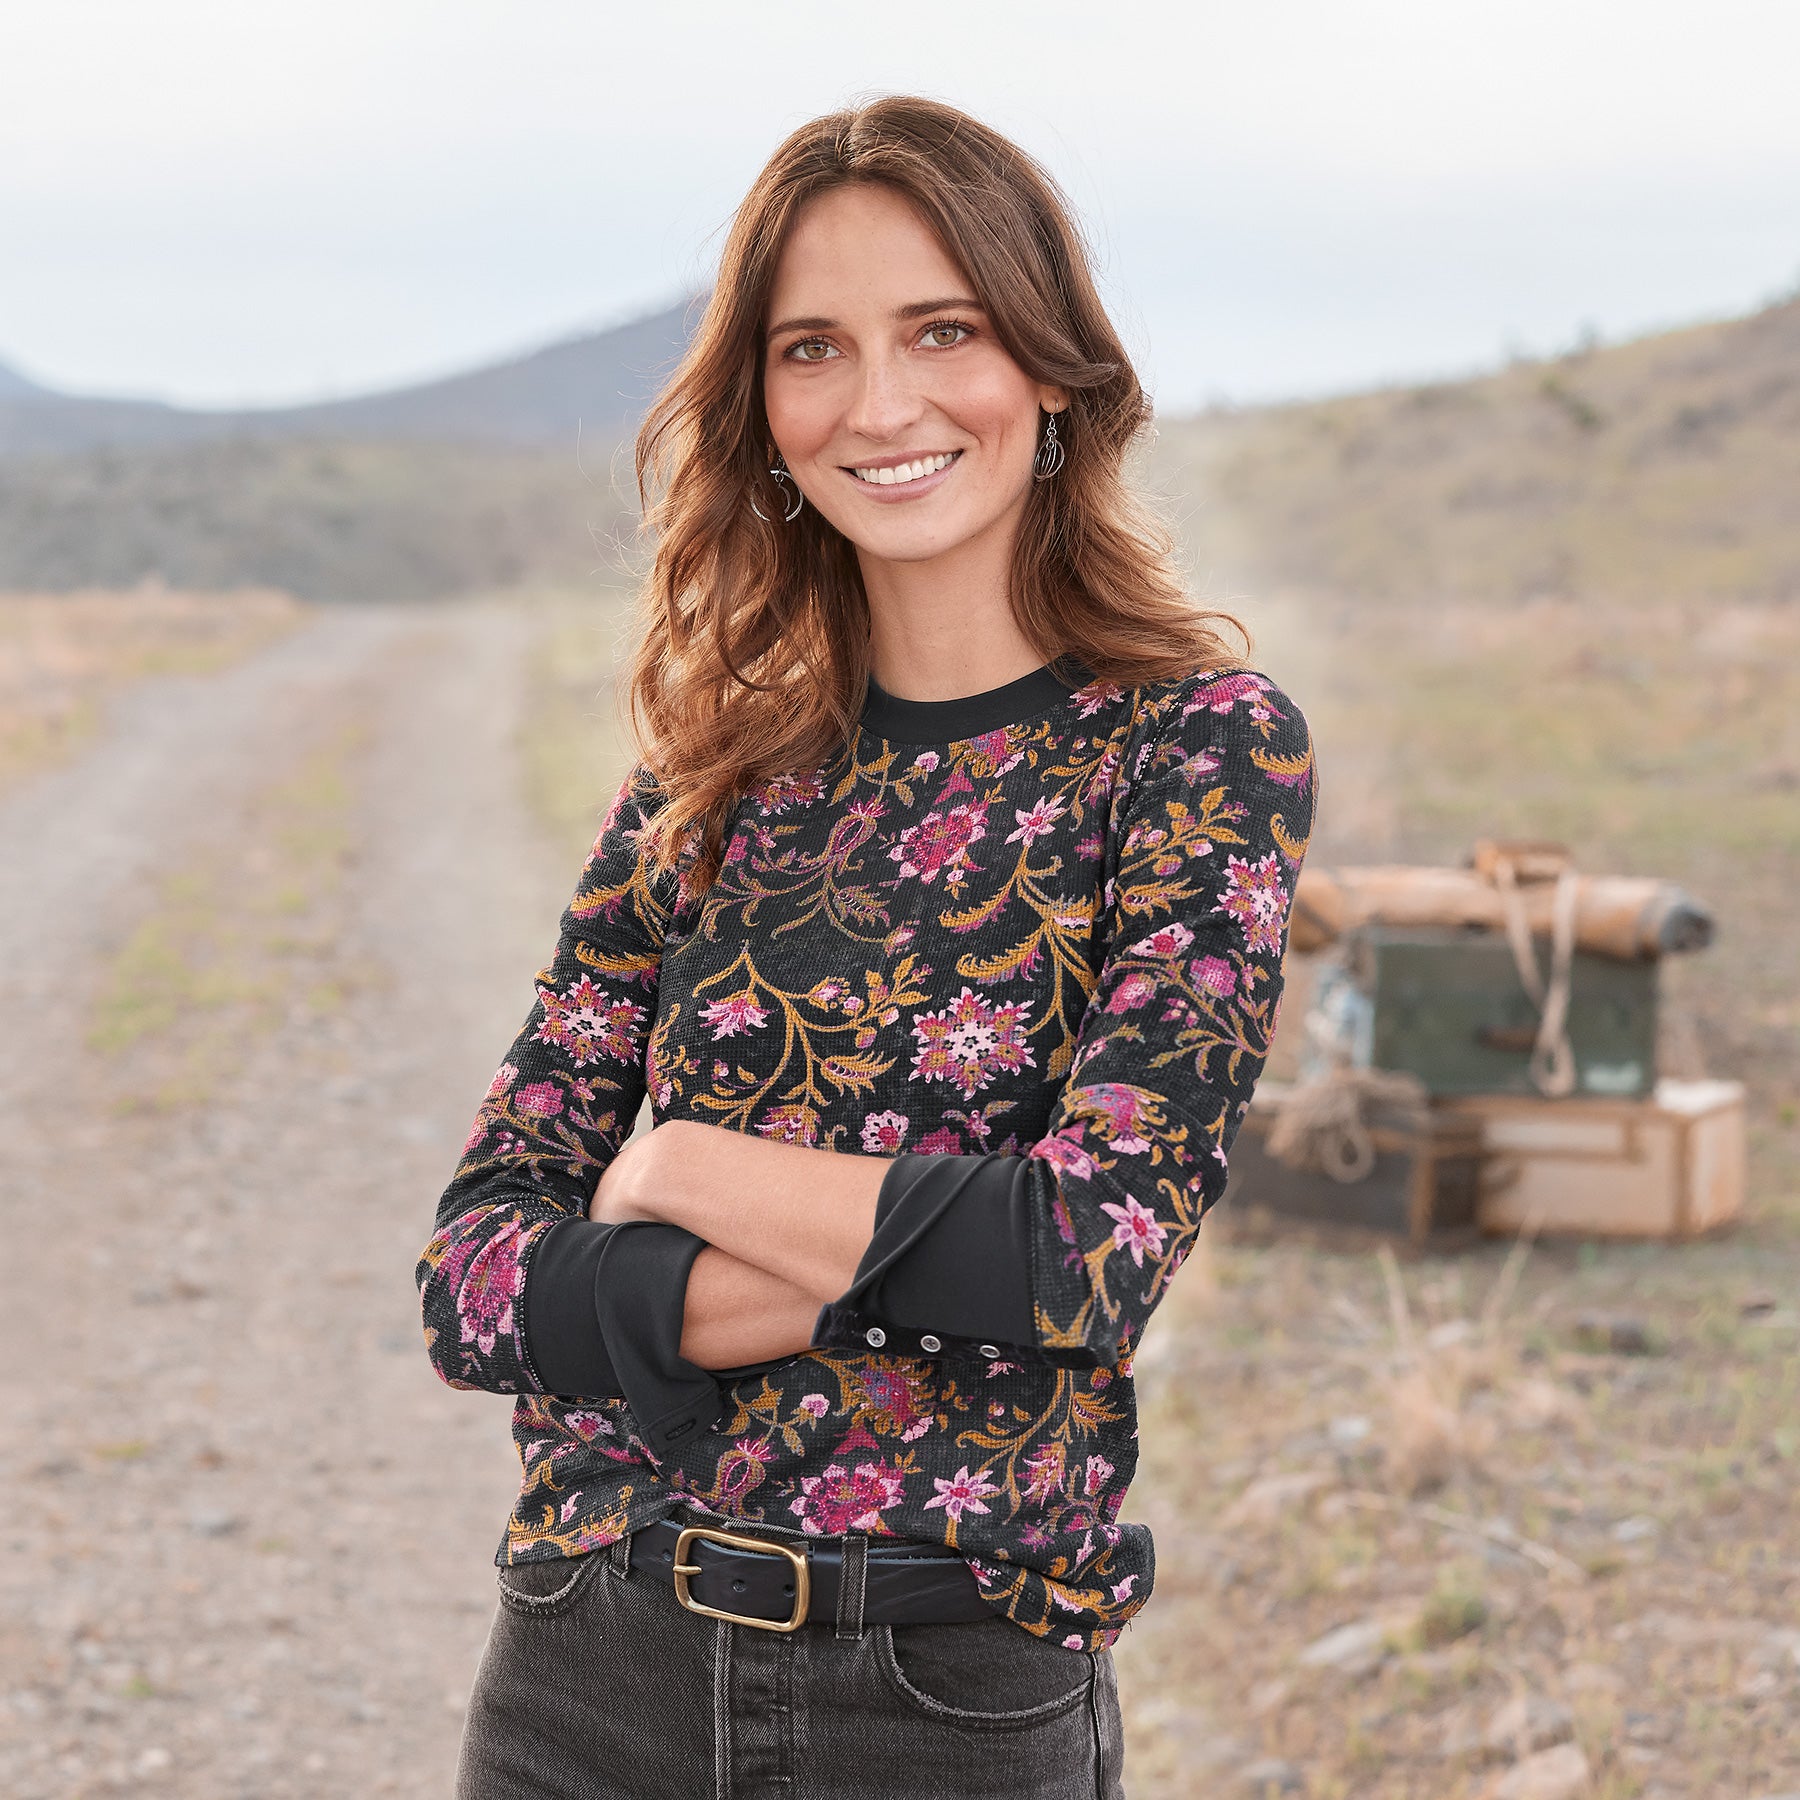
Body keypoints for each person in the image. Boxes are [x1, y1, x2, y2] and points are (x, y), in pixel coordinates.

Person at [418, 93, 1315, 1799]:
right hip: (586, 1664)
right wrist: (899, 1264)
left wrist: (671, 1170)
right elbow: (473, 1280)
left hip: (946, 1690)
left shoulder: (1195, 749)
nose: (882, 404)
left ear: (1050, 368)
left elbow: (1083, 1255)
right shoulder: (703, 780)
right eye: (814, 348)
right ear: (763, 411)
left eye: (944, 330)